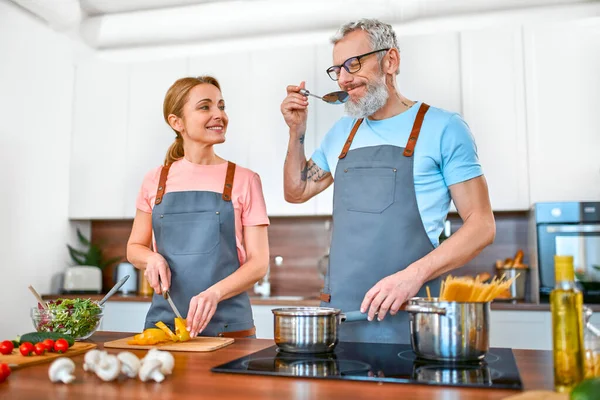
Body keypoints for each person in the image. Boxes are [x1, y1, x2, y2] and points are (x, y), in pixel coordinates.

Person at [280, 19, 495, 344]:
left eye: (354, 64)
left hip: (415, 323)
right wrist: (296, 131)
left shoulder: (443, 127)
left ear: (390, 61)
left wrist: (413, 275)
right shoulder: (341, 133)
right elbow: (296, 192)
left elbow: (482, 225)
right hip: (342, 322)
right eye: (337, 69)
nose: (343, 78)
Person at [127, 76, 270, 338]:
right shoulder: (155, 180)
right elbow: (134, 248)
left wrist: (215, 293)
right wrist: (151, 257)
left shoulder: (245, 180)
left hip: (229, 328)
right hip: (164, 327)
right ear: (176, 122)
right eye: (205, 107)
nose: (219, 115)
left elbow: (259, 263)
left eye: (221, 106)